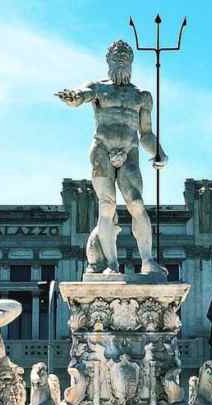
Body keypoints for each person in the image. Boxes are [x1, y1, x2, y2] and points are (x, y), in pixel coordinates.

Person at [56, 40, 167, 276]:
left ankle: (147, 261)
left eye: (125, 57)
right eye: (117, 56)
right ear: (108, 61)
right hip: (102, 149)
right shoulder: (98, 88)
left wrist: (159, 152)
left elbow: (146, 134)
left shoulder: (142, 96)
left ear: (131, 63)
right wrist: (73, 97)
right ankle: (111, 265)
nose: (121, 60)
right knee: (106, 205)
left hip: (130, 153)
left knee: (136, 203)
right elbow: (81, 95)